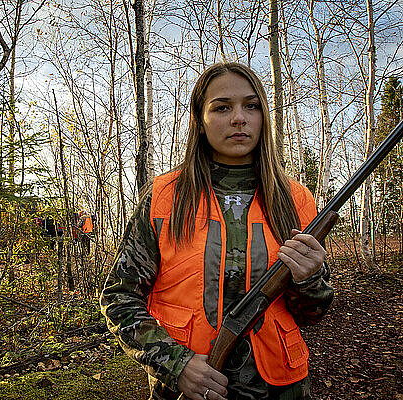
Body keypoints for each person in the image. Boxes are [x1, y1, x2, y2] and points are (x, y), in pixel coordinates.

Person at [100, 62, 333, 400]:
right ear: (200, 121)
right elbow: (118, 297)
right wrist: (176, 365)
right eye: (222, 107)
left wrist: (310, 280)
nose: (239, 118)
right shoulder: (165, 195)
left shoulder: (296, 199)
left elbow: (314, 312)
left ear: (263, 117)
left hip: (281, 388)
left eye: (251, 106)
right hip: (186, 388)